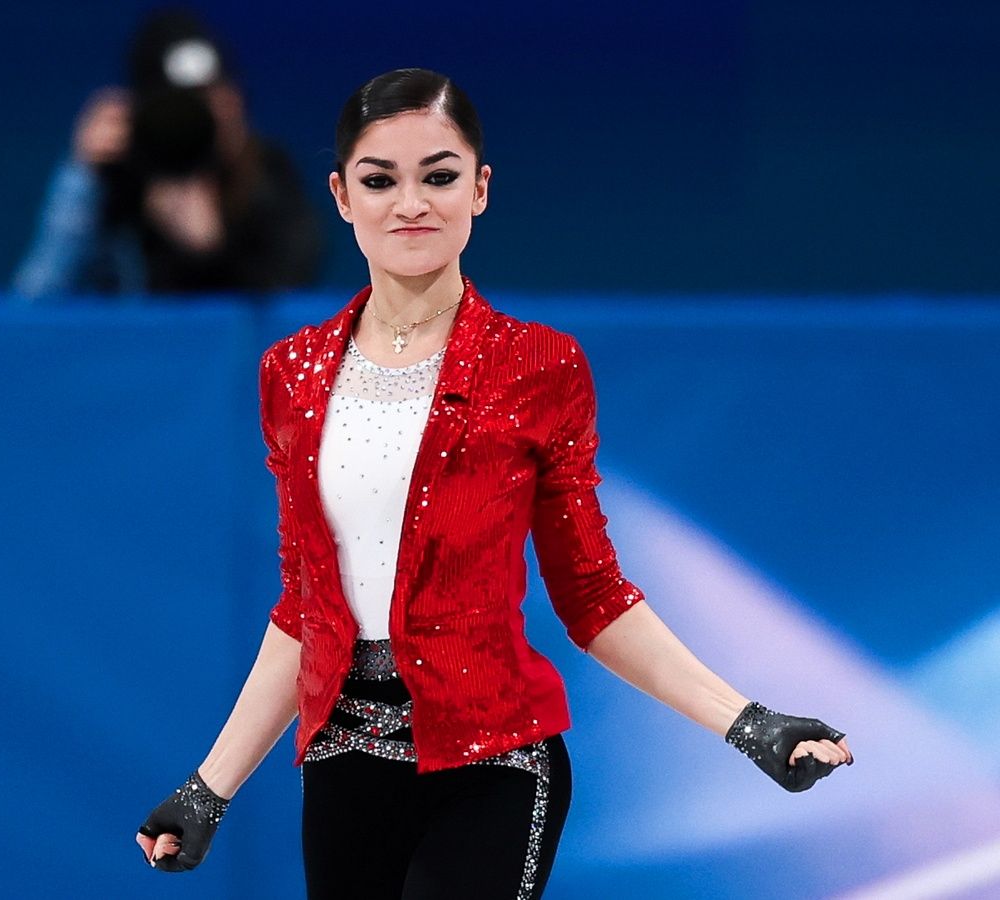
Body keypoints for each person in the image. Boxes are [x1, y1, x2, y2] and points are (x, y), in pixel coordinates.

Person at [134, 68, 854, 899]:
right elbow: (304, 609)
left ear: (479, 189)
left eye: (439, 176)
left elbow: (593, 596)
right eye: (381, 180)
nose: (411, 203)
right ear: (341, 195)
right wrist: (207, 790)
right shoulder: (291, 374)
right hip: (343, 770)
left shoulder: (540, 366)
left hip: (495, 766)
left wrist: (751, 724)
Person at [11, 9, 321, 300]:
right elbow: (38, 301)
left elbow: (288, 304)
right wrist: (81, 176)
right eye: (183, 105)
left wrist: (211, 250)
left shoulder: (265, 172)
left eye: (214, 98)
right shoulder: (117, 177)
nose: (199, 120)